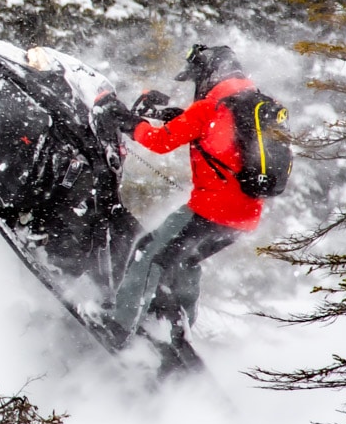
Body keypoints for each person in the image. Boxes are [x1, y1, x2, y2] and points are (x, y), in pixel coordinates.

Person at [104, 44, 262, 343]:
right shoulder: (251, 106)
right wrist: (175, 117)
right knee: (186, 261)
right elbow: (223, 142)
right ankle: (182, 330)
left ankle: (120, 327)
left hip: (212, 210)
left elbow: (158, 143)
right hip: (244, 218)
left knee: (148, 255)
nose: (196, 86)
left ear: (209, 74)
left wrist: (127, 122)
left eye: (196, 78)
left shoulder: (210, 108)